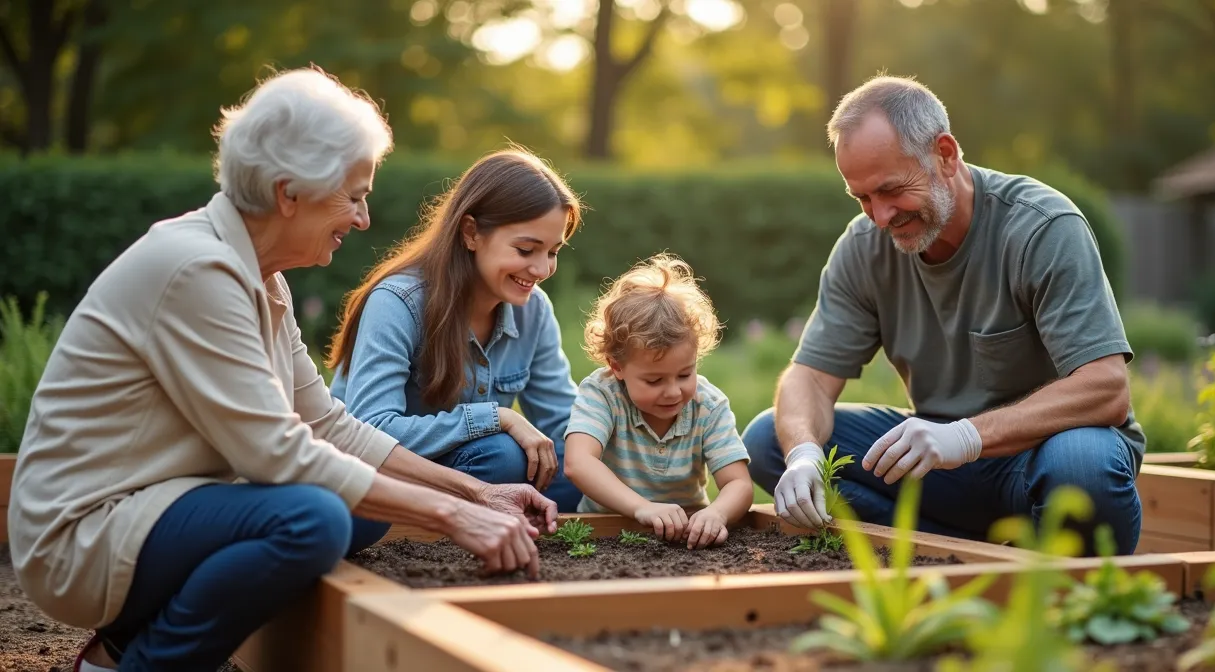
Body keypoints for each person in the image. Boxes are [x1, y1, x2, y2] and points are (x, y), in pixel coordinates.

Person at [8, 67, 556, 672]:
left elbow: (327, 424)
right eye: (354, 195)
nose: (364, 218)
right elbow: (276, 451)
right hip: (83, 535)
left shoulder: (261, 278)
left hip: (157, 509)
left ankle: (113, 654)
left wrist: (476, 490)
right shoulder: (196, 269)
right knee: (314, 517)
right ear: (288, 193)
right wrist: (454, 516)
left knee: (358, 504)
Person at [742, 75, 1144, 556]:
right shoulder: (864, 247)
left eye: (892, 190)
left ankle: (1052, 579)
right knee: (770, 439)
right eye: (863, 198)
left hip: (1042, 458)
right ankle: (950, 552)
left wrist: (966, 436)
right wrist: (805, 453)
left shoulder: (1042, 228)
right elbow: (807, 377)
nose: (880, 216)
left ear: (946, 154)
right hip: (941, 468)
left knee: (1084, 465)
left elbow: (1106, 388)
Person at [326, 147, 585, 513]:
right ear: (471, 232)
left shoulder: (534, 310)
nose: (541, 269)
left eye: (553, 252)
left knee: (577, 464)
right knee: (503, 458)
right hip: (382, 475)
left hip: (473, 467)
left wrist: (637, 451)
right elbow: (371, 431)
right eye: (526, 249)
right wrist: (498, 418)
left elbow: (560, 420)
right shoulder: (398, 302)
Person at [562, 254, 754, 548]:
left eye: (684, 374)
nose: (674, 391)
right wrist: (643, 507)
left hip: (686, 537)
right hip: (605, 534)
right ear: (617, 367)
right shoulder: (602, 394)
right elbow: (578, 462)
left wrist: (716, 513)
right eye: (654, 380)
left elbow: (738, 483)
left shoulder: (709, 405)